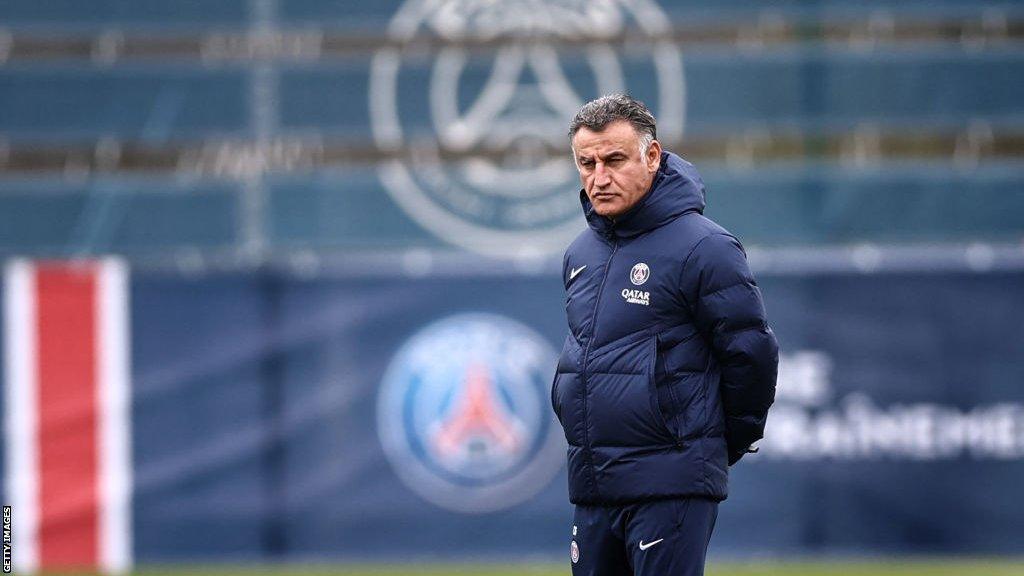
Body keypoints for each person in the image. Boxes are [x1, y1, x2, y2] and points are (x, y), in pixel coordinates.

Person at [551, 94, 779, 576]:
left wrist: (713, 444)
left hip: (670, 482)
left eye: (614, 160)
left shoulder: (706, 247)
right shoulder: (579, 254)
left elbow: (751, 355)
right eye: (586, 163)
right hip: (594, 484)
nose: (599, 177)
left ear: (651, 157)